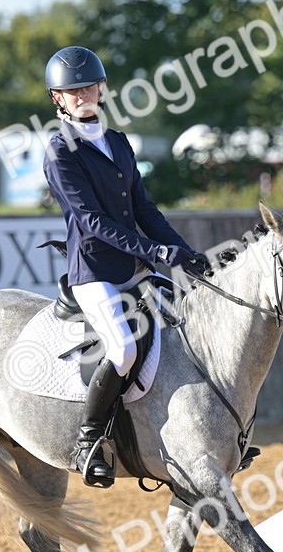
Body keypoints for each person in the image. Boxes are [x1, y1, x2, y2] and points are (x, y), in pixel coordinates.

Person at [42, 45, 210, 488]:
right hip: (95, 273)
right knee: (124, 350)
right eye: (71, 90)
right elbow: (92, 223)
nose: (82, 95)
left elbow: (144, 208)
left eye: (88, 86)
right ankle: (90, 439)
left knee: (187, 323)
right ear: (58, 98)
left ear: (102, 88)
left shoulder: (117, 142)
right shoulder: (61, 151)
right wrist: (156, 254)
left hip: (135, 264)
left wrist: (182, 250)